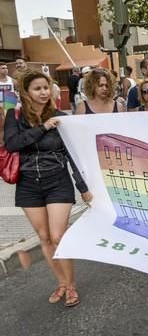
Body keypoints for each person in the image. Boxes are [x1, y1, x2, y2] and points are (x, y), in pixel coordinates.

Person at [3, 70, 93, 307]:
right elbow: (12, 144)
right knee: (43, 238)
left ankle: (71, 286)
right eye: (37, 88)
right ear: (26, 92)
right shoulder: (15, 116)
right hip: (28, 184)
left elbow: (71, 154)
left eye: (46, 87)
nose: (43, 92)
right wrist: (43, 128)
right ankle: (61, 282)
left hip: (57, 182)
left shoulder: (61, 116)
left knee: (57, 236)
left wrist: (82, 187)